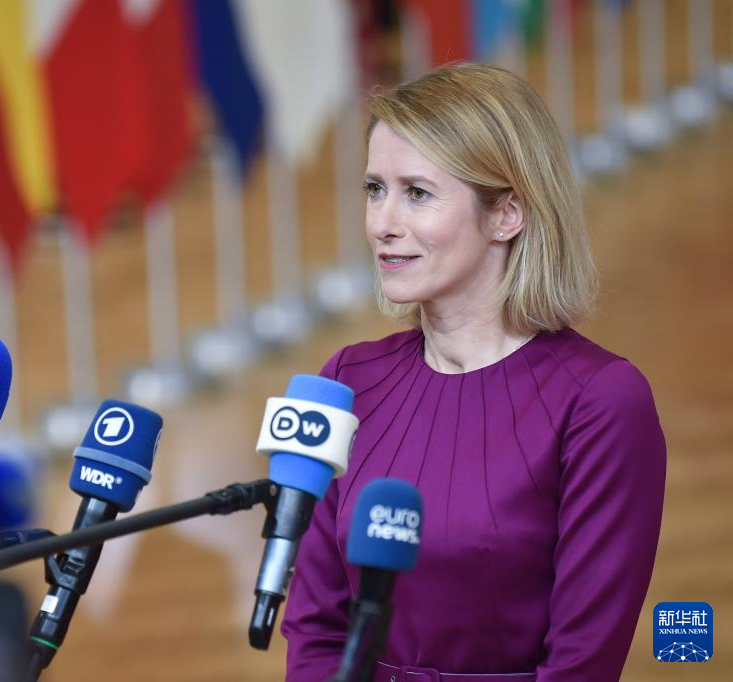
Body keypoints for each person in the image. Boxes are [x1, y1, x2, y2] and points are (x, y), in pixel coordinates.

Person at [281, 63, 666, 682]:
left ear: (507, 214)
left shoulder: (602, 401)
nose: (382, 223)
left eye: (417, 193)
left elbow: (581, 665)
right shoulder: (348, 379)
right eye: (375, 189)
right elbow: (316, 628)